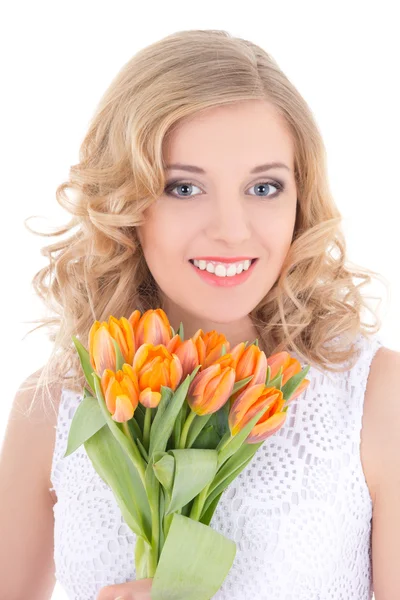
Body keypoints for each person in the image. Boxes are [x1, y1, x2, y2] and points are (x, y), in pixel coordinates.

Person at [1, 28, 399, 600]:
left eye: (264, 187)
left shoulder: (376, 399)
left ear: (300, 200)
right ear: (124, 202)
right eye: (183, 189)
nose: (232, 230)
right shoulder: (50, 408)